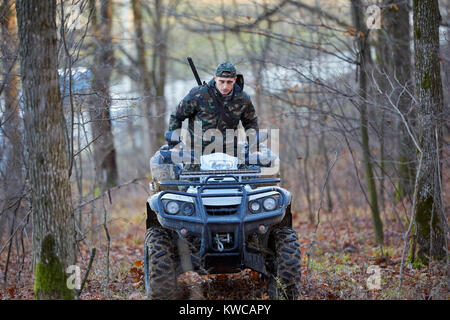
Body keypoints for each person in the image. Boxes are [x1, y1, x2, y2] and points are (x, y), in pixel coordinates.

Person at [168, 62, 259, 155]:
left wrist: (255, 149)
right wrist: (175, 145)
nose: (225, 86)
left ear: (235, 79)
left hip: (229, 154)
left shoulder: (242, 99)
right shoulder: (198, 94)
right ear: (215, 78)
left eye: (229, 82)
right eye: (221, 81)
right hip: (196, 153)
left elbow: (251, 123)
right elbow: (176, 116)